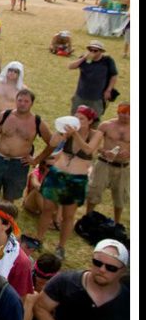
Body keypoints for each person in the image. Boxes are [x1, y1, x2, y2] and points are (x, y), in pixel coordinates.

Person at [30, 239, 129, 320]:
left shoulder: (127, 301)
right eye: (97, 263)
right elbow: (40, 307)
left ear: (122, 271)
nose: (102, 269)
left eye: (111, 268)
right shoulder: (66, 282)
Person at [35, 106, 102, 260]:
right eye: (76, 117)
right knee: (47, 209)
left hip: (76, 179)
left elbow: (89, 150)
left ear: (90, 121)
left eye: (82, 119)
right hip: (57, 175)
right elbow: (52, 142)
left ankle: (61, 247)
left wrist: (76, 135)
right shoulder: (68, 131)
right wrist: (61, 134)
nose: (77, 121)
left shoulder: (95, 134)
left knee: (68, 215)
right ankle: (38, 239)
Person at [0, 88, 53, 216]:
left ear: (31, 104)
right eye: (20, 100)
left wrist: (36, 160)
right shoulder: (5, 115)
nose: (22, 103)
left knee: (9, 198)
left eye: (26, 101)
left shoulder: (37, 122)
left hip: (18, 164)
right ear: (16, 101)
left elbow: (51, 143)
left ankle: (5, 225)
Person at [86, 102, 130, 223]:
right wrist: (105, 152)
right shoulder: (106, 125)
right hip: (104, 163)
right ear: (118, 112)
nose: (125, 116)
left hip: (123, 167)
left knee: (120, 196)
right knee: (94, 192)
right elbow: (94, 145)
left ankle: (117, 222)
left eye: (129, 113)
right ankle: (87, 218)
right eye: (123, 112)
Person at [68, 40, 118, 119]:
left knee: (94, 119)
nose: (92, 52)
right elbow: (70, 66)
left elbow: (114, 75)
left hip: (97, 97)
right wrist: (84, 58)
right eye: (90, 50)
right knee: (75, 117)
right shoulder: (84, 59)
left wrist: (108, 90)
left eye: (95, 50)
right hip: (81, 95)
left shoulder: (107, 60)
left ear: (101, 51)